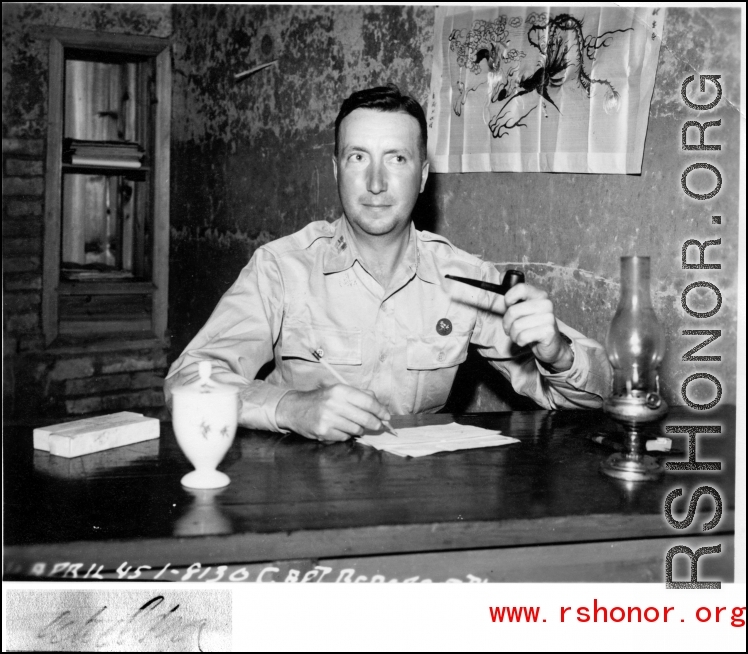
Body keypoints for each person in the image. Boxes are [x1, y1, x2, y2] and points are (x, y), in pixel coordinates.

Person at [165, 84, 612, 442]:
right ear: (337, 170)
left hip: (416, 498)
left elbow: (595, 397)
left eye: (396, 159)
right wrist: (288, 407)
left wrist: (557, 353)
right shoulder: (282, 268)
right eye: (358, 157)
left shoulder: (465, 280)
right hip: (301, 496)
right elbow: (186, 380)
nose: (376, 183)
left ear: (421, 175)